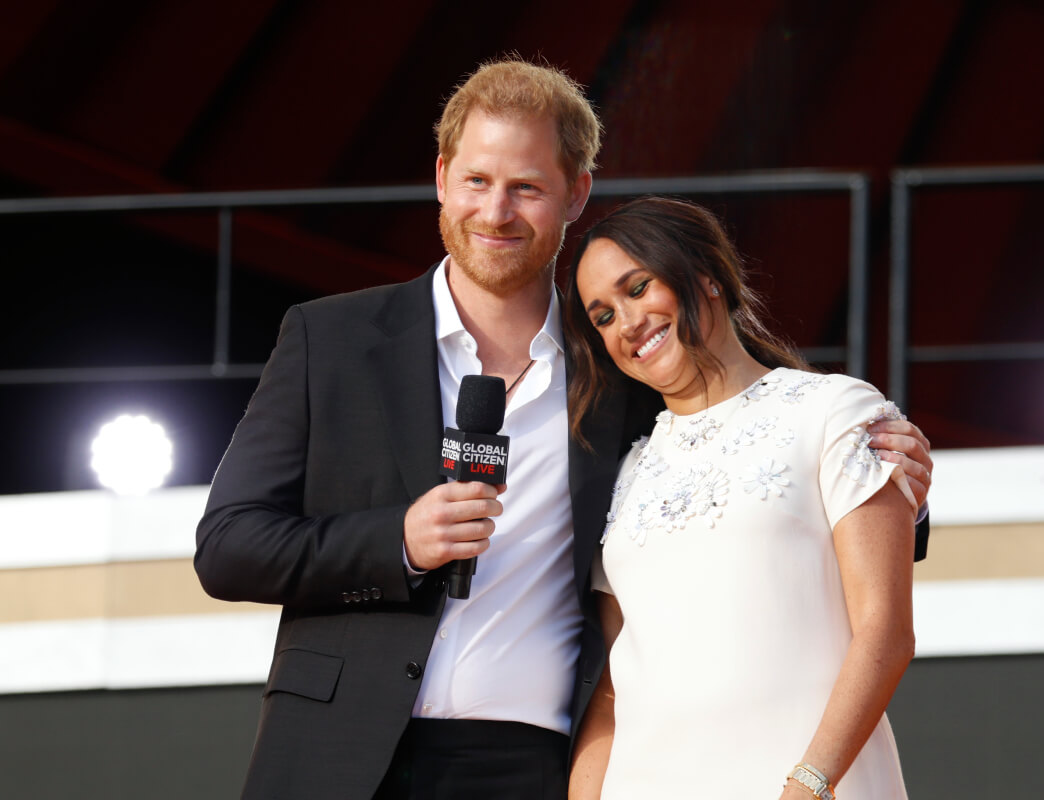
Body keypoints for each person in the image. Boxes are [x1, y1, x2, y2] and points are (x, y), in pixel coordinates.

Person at [195, 58, 934, 800]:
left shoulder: (622, 368)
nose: (496, 212)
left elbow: (743, 456)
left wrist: (893, 482)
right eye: (478, 181)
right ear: (444, 177)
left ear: (575, 194)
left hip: (531, 768)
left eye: (526, 187)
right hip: (338, 754)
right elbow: (228, 548)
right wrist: (398, 542)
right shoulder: (332, 338)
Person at [563, 196, 919, 799]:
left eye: (639, 287)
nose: (626, 323)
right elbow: (613, 691)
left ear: (706, 278)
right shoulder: (623, 472)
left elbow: (885, 633)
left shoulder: (834, 411)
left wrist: (810, 785)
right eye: (602, 316)